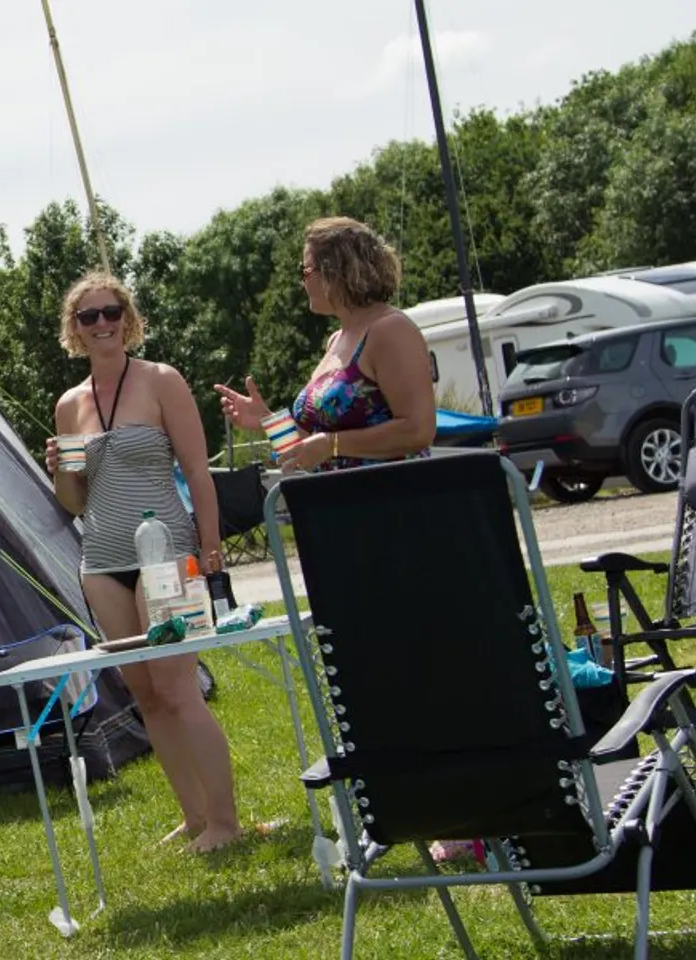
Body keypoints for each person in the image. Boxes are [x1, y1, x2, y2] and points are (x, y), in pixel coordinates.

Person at [42, 270, 242, 853]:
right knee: (146, 695)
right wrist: (60, 468)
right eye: (89, 316)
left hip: (166, 553)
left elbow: (199, 472)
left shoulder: (162, 381)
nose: (102, 323)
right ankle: (195, 816)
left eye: (112, 312)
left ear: (128, 319)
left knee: (178, 688)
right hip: (101, 558)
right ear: (74, 331)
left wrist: (210, 548)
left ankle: (226, 822)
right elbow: (73, 501)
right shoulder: (69, 405)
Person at [215, 216, 437, 471]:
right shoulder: (335, 340)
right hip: (339, 503)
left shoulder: (390, 329)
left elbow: (418, 430)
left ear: (334, 271)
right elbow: (309, 447)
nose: (302, 282)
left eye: (305, 271)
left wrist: (333, 443)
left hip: (391, 502)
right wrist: (266, 420)